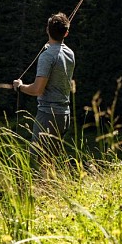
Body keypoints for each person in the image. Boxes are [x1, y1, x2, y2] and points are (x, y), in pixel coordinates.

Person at [13, 12, 75, 162]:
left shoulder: (47, 56)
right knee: (51, 162)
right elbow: (59, 49)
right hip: (64, 115)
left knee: (39, 163)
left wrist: (20, 87)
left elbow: (37, 90)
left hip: (48, 115)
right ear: (66, 33)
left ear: (47, 30)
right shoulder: (70, 53)